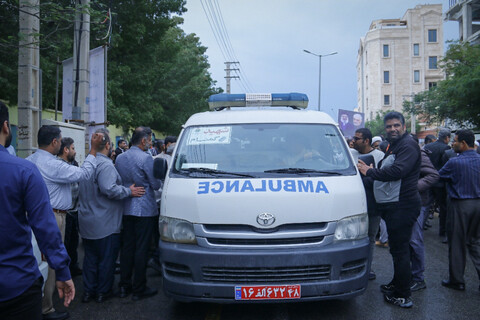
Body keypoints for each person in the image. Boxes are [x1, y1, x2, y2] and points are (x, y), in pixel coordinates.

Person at [0, 101, 75, 320]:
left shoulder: (27, 166)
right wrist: (62, 270)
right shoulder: (23, 171)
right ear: (6, 127)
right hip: (17, 287)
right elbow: (45, 228)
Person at [27, 125, 103, 320]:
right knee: (52, 263)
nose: (61, 144)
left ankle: (41, 304)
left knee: (39, 261)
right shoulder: (52, 164)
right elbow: (84, 174)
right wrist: (93, 150)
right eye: (60, 141)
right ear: (54, 142)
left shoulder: (30, 160)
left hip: (37, 215)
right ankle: (47, 309)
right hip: (53, 217)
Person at [358, 111, 421, 308]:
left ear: (404, 127)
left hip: (403, 205)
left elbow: (397, 171)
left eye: (396, 125)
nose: (392, 129)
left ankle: (402, 295)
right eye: (389, 126)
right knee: (397, 250)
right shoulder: (395, 145)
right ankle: (398, 283)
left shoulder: (408, 145)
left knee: (400, 251)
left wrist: (370, 171)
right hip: (395, 206)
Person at [78, 129, 145, 304]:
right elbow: (109, 189)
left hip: (87, 221)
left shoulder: (88, 162)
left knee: (90, 259)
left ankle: (88, 291)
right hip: (104, 222)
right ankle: (103, 292)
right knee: (106, 259)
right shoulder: (105, 165)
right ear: (108, 145)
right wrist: (128, 191)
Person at [115, 127, 162, 301]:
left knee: (127, 247)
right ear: (143, 141)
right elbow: (156, 185)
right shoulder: (146, 158)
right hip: (145, 207)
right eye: (149, 140)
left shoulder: (120, 158)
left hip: (127, 206)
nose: (150, 143)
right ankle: (139, 288)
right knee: (141, 249)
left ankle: (124, 285)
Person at [438, 129, 480, 291]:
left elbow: (438, 177)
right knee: (475, 242)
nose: (452, 143)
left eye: (454, 141)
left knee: (457, 243)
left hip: (460, 205)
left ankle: (457, 280)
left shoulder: (454, 162)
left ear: (463, 144)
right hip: (478, 204)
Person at [353, 128, 384, 281]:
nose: (353, 141)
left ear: (366, 141)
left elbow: (383, 180)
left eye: (357, 138)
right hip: (352, 205)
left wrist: (369, 174)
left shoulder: (380, 157)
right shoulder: (349, 155)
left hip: (373, 205)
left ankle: (367, 268)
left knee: (370, 237)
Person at [410, 135, 439, 292]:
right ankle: (412, 275)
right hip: (406, 204)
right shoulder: (403, 152)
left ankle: (418, 278)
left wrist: (413, 187)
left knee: (415, 240)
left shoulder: (420, 154)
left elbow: (433, 175)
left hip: (418, 202)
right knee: (408, 241)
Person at [57, 137, 82, 278]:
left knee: (73, 242)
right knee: (64, 244)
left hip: (74, 210)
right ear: (66, 150)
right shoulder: (59, 166)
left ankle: (74, 266)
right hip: (64, 213)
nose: (75, 151)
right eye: (73, 148)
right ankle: (64, 273)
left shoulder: (74, 164)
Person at [424, 129, 451, 243]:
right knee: (443, 207)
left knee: (425, 204)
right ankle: (443, 231)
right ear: (447, 138)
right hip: (440, 182)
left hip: (428, 180)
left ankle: (420, 225)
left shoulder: (428, 146)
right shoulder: (446, 148)